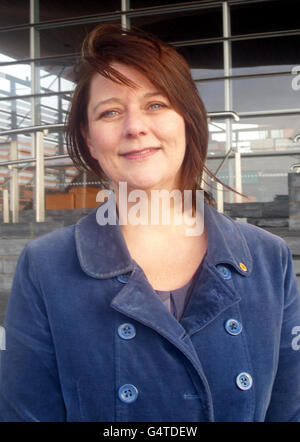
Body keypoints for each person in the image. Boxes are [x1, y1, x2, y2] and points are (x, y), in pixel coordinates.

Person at [0, 23, 300, 422]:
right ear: (89, 140)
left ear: (187, 120)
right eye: (110, 111)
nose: (135, 126)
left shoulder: (268, 259)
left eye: (156, 105)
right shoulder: (46, 266)